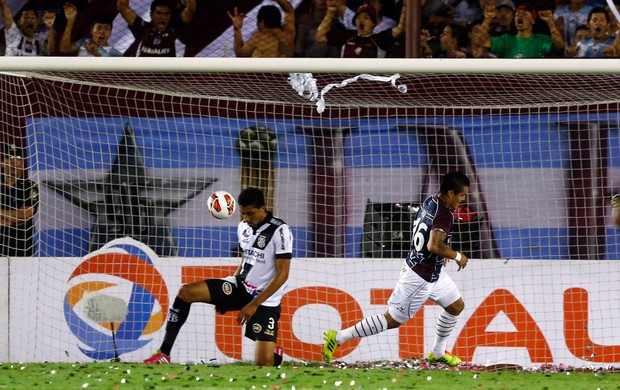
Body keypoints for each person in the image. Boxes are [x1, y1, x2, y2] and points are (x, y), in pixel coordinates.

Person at [322, 172, 471, 366]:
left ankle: (437, 352)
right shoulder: (444, 213)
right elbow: (434, 246)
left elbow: (426, 235)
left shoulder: (430, 202)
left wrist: (441, 255)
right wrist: (457, 256)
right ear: (450, 193)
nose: (462, 200)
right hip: (420, 277)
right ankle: (338, 337)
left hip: (432, 272)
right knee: (392, 320)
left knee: (456, 306)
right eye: (461, 195)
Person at [144, 187, 293, 366]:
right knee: (186, 292)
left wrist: (253, 305)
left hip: (265, 303)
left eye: (251, 214)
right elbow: (248, 259)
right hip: (240, 287)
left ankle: (274, 353)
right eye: (243, 214)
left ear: (263, 208)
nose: (246, 219)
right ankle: (164, 354)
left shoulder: (280, 230)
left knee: (264, 363)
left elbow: (282, 275)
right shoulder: (244, 227)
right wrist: (226, 293)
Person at [315, 1, 406, 58]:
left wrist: (405, 7)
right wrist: (330, 12)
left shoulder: (380, 39)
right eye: (358, 17)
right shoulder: (347, 36)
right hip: (347, 80)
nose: (361, 20)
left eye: (366, 18)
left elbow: (400, 28)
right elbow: (320, 36)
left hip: (371, 82)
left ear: (373, 23)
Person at [480, 4, 565, 58]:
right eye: (517, 14)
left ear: (532, 20)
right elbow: (481, 41)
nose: (520, 16)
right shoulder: (506, 40)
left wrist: (550, 21)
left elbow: (560, 45)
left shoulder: (542, 40)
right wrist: (487, 19)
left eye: (525, 14)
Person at [116, 0, 196, 57]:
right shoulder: (143, 28)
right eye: (159, 13)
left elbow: (191, 8)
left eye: (166, 14)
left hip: (168, 78)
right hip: (143, 78)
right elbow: (122, 6)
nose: (162, 17)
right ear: (151, 15)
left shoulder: (176, 30)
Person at [0, 144, 39, 257]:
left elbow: (24, 215)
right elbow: (18, 219)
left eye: (18, 158)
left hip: (22, 248)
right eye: (10, 157)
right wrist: (13, 219)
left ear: (22, 163)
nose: (14, 161)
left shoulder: (30, 187)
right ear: (2, 162)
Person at [227, 0, 296, 57]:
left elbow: (240, 54)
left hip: (264, 73)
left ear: (262, 22)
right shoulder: (289, 34)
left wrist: (237, 30)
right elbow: (290, 11)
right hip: (285, 72)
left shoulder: (259, 37)